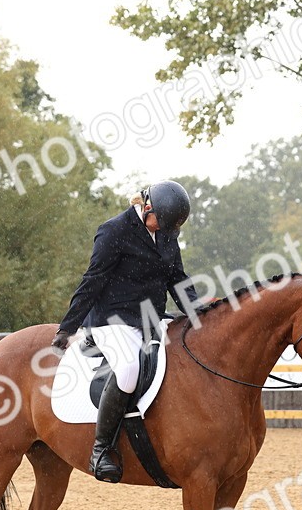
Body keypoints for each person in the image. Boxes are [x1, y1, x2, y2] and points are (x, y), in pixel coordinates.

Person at [51, 181, 200, 482]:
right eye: (160, 224)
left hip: (151, 318)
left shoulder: (167, 231)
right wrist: (68, 327)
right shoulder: (114, 231)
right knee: (129, 369)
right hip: (112, 321)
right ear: (147, 207)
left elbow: (177, 278)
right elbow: (92, 280)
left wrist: (200, 314)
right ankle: (101, 449)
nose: (163, 231)